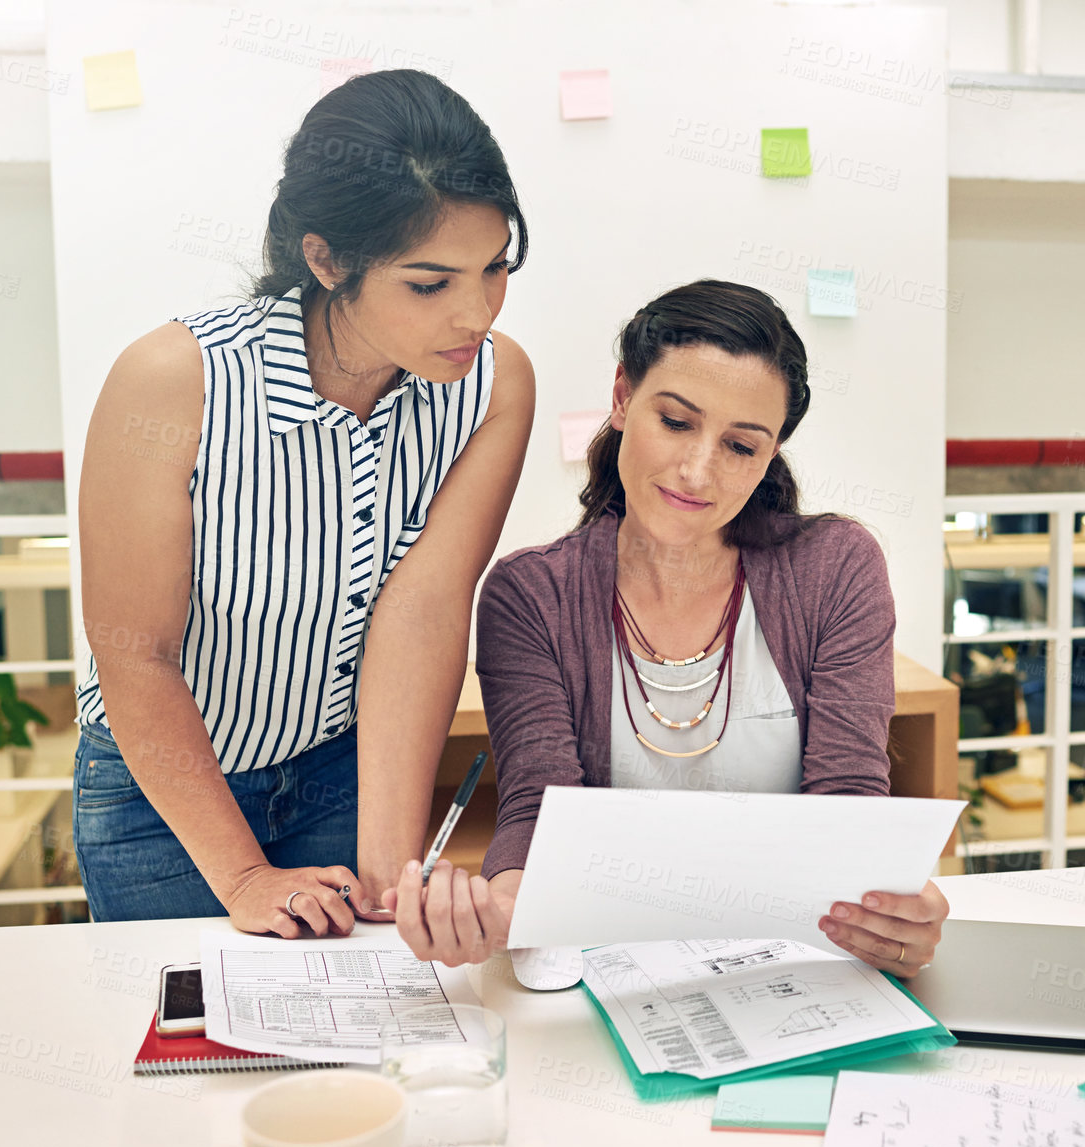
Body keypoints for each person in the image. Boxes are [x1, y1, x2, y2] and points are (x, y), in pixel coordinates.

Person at [71, 70, 535, 937]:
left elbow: (424, 614)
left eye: (495, 269)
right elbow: (135, 652)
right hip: (162, 793)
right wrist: (245, 874)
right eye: (430, 283)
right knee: (192, 1059)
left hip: (342, 773)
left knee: (361, 1031)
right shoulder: (176, 381)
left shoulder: (493, 386)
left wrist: (391, 882)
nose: (474, 313)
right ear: (326, 260)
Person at [390, 280, 948, 975]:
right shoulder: (530, 595)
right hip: (615, 972)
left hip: (789, 972)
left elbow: (849, 806)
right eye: (676, 422)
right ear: (622, 396)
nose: (696, 469)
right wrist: (503, 908)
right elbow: (538, 808)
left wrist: (892, 914)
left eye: (740, 445)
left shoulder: (835, 567)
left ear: (770, 453)